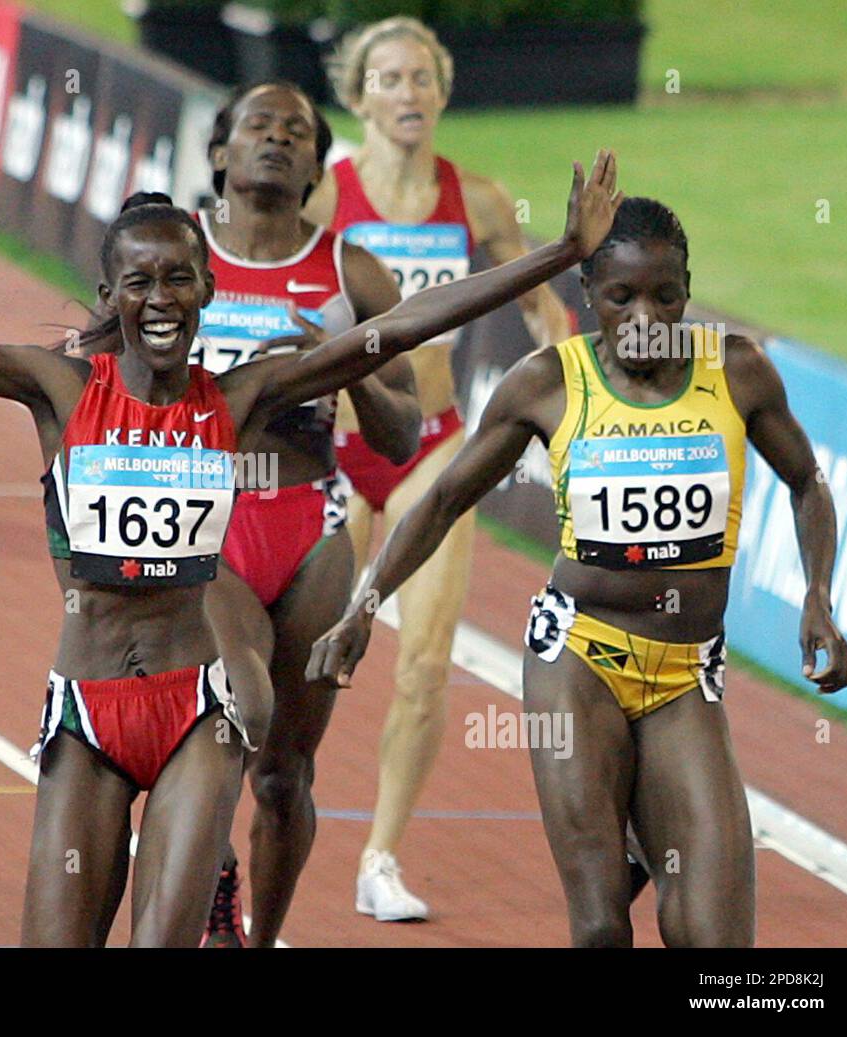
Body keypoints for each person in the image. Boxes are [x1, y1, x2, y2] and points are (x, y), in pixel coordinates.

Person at [0, 151, 621, 946]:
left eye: (181, 278)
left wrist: (559, 254)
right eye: (139, 279)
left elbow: (390, 330)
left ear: (205, 288)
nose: (161, 298)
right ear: (109, 288)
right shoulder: (58, 390)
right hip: (89, 712)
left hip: (196, 707)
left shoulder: (238, 396)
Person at [308, 196, 847, 947]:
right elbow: (440, 499)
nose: (644, 316)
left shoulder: (737, 371)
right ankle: (621, 842)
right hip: (579, 655)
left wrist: (818, 596)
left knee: (715, 941)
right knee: (600, 926)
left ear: (687, 289)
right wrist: (363, 606)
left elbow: (808, 483)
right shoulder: (547, 382)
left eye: (665, 294)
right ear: (588, 296)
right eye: (620, 296)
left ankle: (642, 832)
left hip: (686, 671)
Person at [303, 16, 572, 921]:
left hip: (435, 447)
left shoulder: (480, 199)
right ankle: (272, 798)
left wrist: (566, 373)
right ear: (359, 96)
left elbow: (544, 307)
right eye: (390, 78)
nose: (408, 93)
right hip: (334, 446)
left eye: (423, 77)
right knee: (304, 654)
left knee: (422, 663)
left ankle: (380, 856)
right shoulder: (323, 197)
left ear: (443, 93)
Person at [194, 80, 418, 948]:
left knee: (285, 774)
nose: (278, 140)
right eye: (259, 126)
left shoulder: (351, 273)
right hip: (206, 520)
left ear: (319, 168)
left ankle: (257, 933)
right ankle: (212, 880)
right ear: (221, 152)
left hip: (311, 521)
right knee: (236, 714)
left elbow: (401, 433)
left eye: (297, 133)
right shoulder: (184, 254)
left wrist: (339, 361)